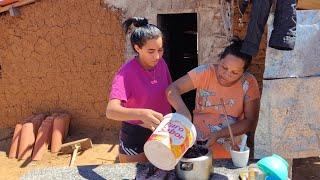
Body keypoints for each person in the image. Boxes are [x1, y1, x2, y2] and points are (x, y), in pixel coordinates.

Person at [166, 38, 260, 158]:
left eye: (234, 73)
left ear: (243, 72)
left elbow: (250, 122)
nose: (226, 75)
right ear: (219, 60)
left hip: (231, 151)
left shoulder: (248, 82)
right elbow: (172, 89)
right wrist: (183, 110)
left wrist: (219, 134)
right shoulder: (205, 72)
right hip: (199, 146)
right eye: (224, 68)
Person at [106, 17, 172, 163]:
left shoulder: (161, 64)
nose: (157, 56)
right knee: (135, 175)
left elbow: (170, 91)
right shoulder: (125, 73)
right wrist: (141, 114)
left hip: (162, 131)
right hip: (136, 135)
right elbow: (111, 111)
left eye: (160, 50)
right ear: (137, 48)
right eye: (151, 51)